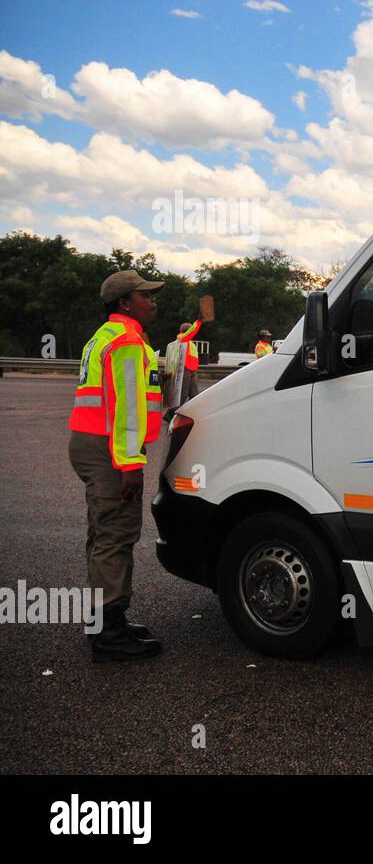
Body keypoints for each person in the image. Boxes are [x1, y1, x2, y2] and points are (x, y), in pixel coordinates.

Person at [67, 270, 167, 662]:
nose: (152, 299)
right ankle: (108, 634)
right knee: (115, 536)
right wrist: (130, 463)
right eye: (145, 294)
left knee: (101, 533)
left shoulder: (104, 336)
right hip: (110, 449)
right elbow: (125, 409)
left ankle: (106, 621)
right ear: (125, 302)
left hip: (90, 443)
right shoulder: (126, 342)